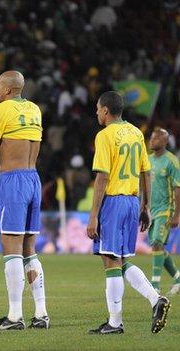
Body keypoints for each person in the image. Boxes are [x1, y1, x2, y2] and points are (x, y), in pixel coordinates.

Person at [86, 91, 170, 334]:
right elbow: (146, 171)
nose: (96, 113)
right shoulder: (136, 133)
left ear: (105, 110)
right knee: (121, 260)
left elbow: (102, 177)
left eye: (98, 109)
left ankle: (115, 322)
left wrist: (93, 216)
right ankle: (155, 300)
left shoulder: (105, 135)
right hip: (132, 202)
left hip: (113, 201)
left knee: (110, 260)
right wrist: (145, 206)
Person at [0, 71, 49, 330]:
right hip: (33, 179)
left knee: (11, 249)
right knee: (30, 250)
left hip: (13, 182)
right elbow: (16, 135)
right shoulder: (34, 109)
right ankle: (41, 314)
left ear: (8, 89)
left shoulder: (0, 109)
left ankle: (15, 316)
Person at [148, 128, 180, 295]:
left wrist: (176, 215)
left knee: (157, 242)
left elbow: (177, 188)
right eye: (151, 138)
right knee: (156, 245)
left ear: (165, 141)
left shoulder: (171, 161)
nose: (152, 141)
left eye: (156, 139)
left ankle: (155, 285)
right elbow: (144, 186)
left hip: (166, 209)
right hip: (151, 210)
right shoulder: (147, 160)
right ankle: (178, 277)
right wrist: (143, 206)